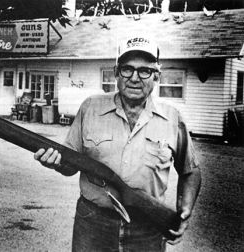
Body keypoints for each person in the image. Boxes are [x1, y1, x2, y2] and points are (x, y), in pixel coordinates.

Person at [34, 35, 201, 251]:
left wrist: (185, 209)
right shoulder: (90, 108)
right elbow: (69, 166)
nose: (134, 77)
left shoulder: (173, 118)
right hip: (93, 223)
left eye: (144, 71)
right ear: (116, 73)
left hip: (148, 227)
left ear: (157, 76)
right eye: (127, 69)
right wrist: (55, 162)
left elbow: (191, 171)